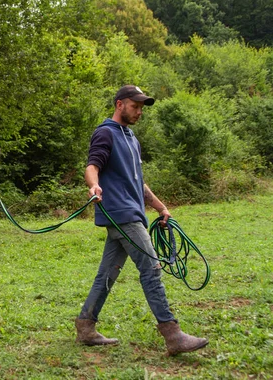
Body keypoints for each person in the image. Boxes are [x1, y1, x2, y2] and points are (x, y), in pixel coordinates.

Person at [75, 85, 208, 356]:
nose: (139, 112)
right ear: (120, 104)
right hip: (121, 215)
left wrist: (160, 207)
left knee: (108, 273)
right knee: (151, 268)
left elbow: (138, 181)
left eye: (141, 108)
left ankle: (85, 326)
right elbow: (92, 166)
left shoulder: (132, 138)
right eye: (135, 106)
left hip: (132, 213)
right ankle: (173, 335)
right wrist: (94, 186)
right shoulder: (105, 133)